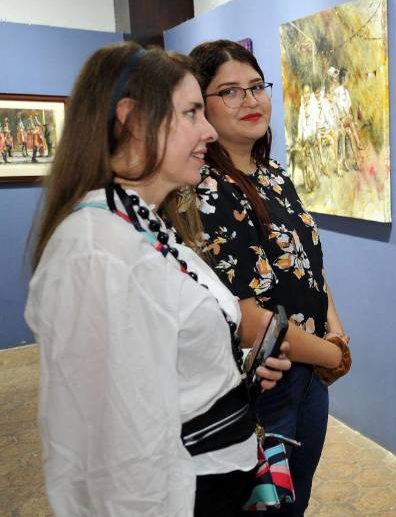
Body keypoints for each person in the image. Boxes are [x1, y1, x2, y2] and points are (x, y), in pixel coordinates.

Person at [25, 42, 291, 516]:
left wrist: (239, 368)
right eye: (192, 112)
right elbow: (109, 456)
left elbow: (163, 360)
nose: (208, 130)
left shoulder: (141, 223)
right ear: (131, 119)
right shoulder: (95, 251)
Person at [180, 39, 352, 516]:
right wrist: (333, 354)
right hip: (264, 390)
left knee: (295, 504)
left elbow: (306, 265)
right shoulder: (206, 191)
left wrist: (334, 329)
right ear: (201, 106)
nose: (251, 100)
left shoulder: (274, 174)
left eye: (256, 86)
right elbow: (252, 319)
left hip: (310, 374)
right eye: (230, 92)